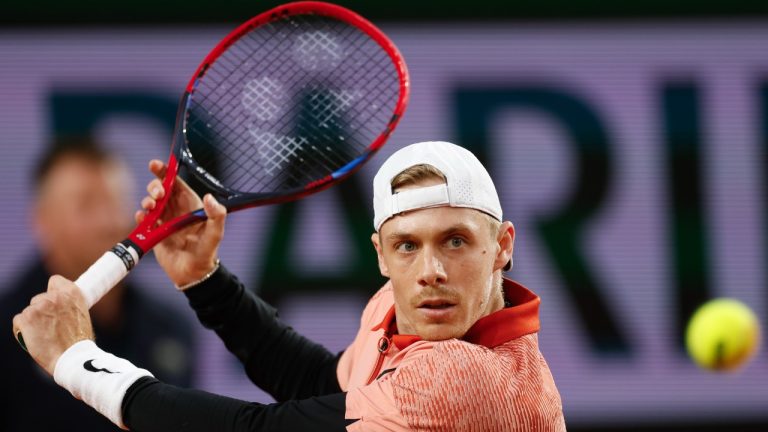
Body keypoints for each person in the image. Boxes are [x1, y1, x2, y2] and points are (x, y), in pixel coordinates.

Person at [12, 141, 566, 431]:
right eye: (406, 245)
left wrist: (77, 361)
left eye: (455, 241)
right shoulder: (402, 308)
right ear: (380, 254)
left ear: (504, 246)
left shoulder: (474, 382)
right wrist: (206, 281)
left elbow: (259, 430)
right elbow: (318, 384)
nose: (430, 272)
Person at [1, 139, 195, 431]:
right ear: (42, 220)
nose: (107, 222)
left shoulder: (172, 329)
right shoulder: (4, 331)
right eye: (86, 205)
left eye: (116, 201)